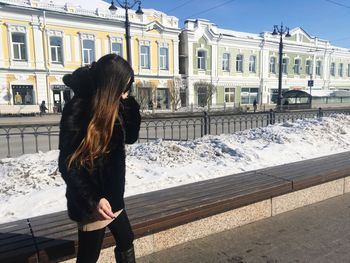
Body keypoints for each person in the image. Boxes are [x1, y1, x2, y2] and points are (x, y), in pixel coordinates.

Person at [58, 54, 141, 263]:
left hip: (112, 196)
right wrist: (94, 199)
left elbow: (130, 138)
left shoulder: (114, 103)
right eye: (124, 86)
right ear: (111, 84)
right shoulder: (79, 109)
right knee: (88, 257)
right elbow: (69, 164)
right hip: (92, 202)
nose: (125, 91)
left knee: (126, 239)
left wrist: (129, 103)